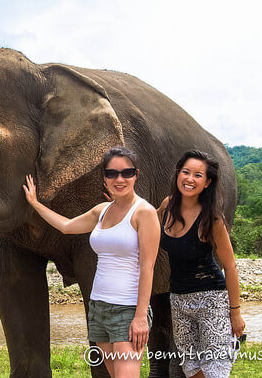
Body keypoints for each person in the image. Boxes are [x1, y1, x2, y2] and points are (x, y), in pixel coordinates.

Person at [23, 146, 160, 377]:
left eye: (126, 173)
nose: (119, 179)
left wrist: (139, 317)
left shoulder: (144, 213)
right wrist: (36, 204)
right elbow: (67, 227)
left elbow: (148, 267)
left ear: (136, 175)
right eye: (112, 173)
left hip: (127, 310)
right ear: (104, 179)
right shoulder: (102, 211)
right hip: (98, 307)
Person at [157, 150, 246, 378]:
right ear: (178, 174)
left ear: (207, 183)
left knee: (215, 369)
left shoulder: (212, 218)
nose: (189, 179)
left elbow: (230, 266)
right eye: (185, 172)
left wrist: (235, 312)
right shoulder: (167, 207)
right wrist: (119, 206)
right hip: (178, 301)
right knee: (193, 368)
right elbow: (144, 218)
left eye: (198, 175)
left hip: (211, 301)